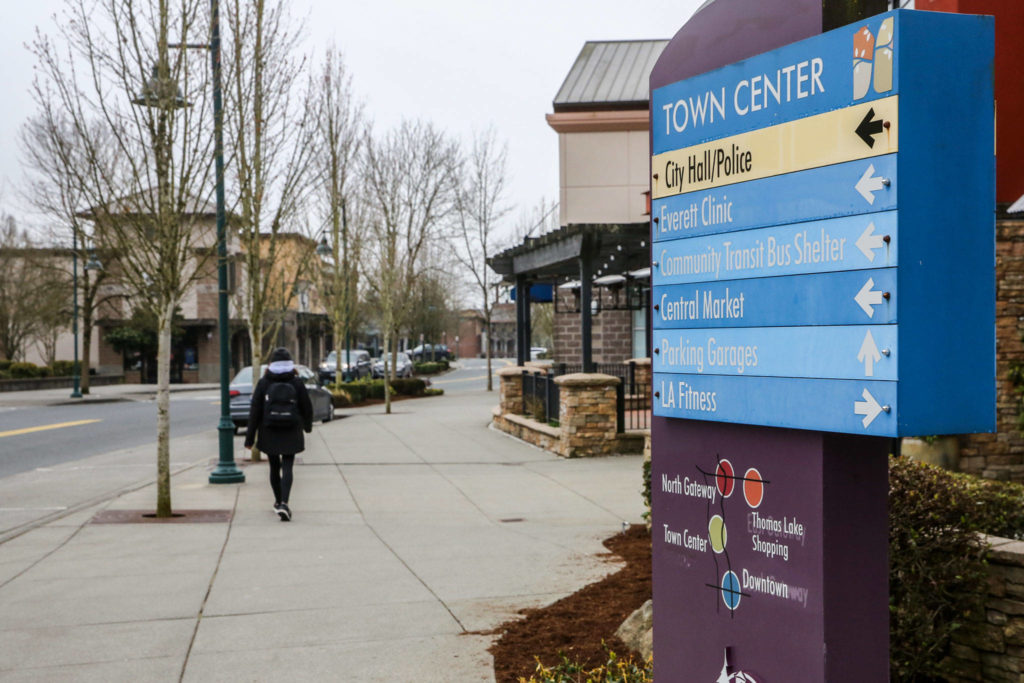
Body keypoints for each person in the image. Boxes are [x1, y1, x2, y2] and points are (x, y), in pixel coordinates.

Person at [244, 347, 313, 521]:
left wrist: (250, 438)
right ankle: (284, 502)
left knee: (274, 466)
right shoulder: (296, 382)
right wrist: (307, 426)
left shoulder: (264, 382)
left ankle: (277, 501)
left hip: (269, 430)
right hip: (292, 428)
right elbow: (307, 406)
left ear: (271, 364)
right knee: (288, 465)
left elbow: (255, 411)